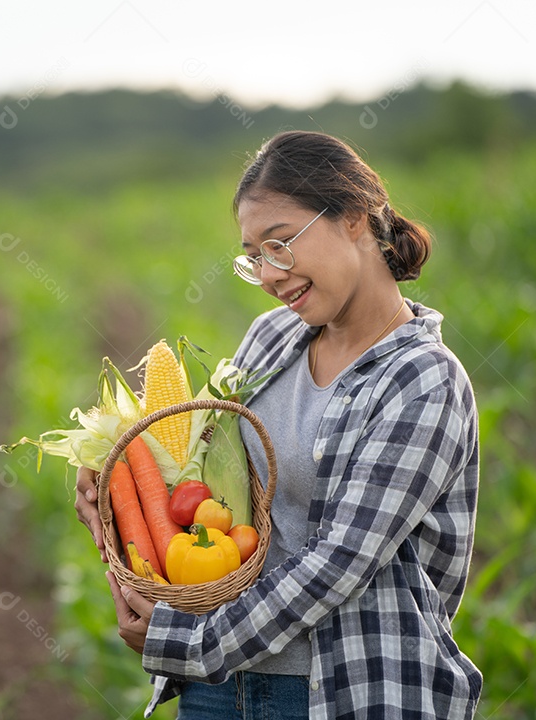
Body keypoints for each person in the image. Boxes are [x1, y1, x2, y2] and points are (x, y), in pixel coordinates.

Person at [75, 130, 481, 719]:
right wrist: (114, 483)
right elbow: (203, 481)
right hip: (219, 690)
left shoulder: (422, 380)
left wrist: (188, 644)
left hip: (342, 693)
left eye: (281, 244)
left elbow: (338, 562)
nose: (268, 274)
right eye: (254, 255)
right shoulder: (270, 339)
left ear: (354, 218)